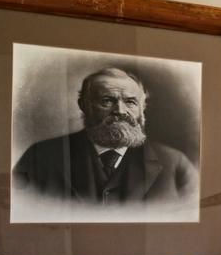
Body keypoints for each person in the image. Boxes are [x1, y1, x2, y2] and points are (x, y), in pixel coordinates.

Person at [12, 66, 197, 208]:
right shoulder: (40, 157)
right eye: (107, 101)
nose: (120, 111)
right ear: (84, 105)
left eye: (130, 102)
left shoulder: (175, 163)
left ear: (142, 108)